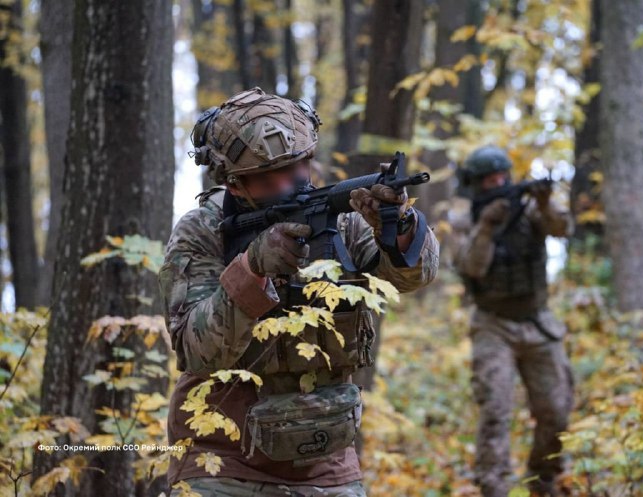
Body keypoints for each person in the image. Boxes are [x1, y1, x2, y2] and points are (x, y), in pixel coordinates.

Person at [158, 87, 439, 497]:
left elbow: (417, 275)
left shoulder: (341, 219)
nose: (297, 180)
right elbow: (194, 349)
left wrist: (398, 226)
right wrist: (252, 268)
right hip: (220, 458)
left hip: (325, 457)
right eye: (277, 174)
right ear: (237, 185)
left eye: (302, 164)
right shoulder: (203, 232)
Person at [452, 146, 574, 497]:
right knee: (495, 409)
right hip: (493, 325)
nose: (499, 184)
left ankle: (545, 479)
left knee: (556, 409)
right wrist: (487, 226)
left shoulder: (530, 211)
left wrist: (546, 202)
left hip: (538, 322)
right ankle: (493, 487)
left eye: (503, 177)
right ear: (475, 185)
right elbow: (472, 267)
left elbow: (563, 228)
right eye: (490, 180)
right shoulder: (465, 222)